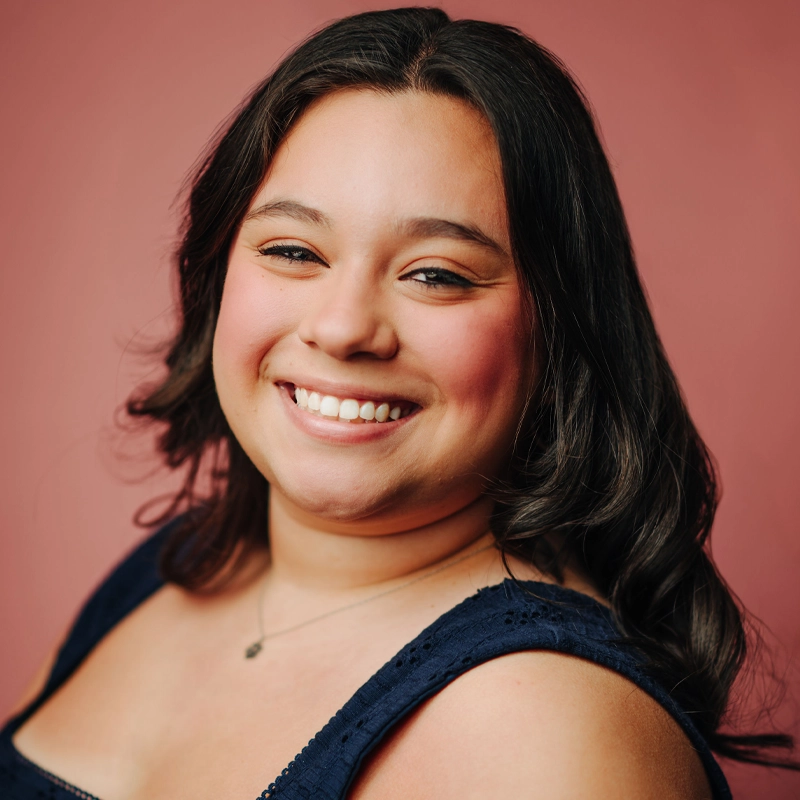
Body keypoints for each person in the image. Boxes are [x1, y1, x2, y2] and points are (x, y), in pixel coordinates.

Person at [1, 7, 795, 799]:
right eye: (293, 251)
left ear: (559, 329)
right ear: (217, 277)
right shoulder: (169, 570)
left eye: (436, 272)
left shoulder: (548, 732)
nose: (343, 327)